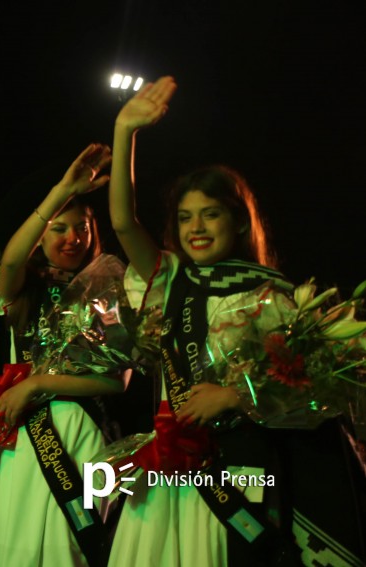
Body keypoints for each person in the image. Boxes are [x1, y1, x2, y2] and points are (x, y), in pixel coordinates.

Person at [104, 76, 366, 566]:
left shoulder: (271, 294)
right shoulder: (168, 278)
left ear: (240, 221)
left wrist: (234, 394)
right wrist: (125, 132)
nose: (196, 228)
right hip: (171, 470)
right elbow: (122, 222)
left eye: (210, 215)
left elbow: (313, 386)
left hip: (242, 466)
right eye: (185, 218)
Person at [0, 144, 129, 567]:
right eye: (59, 228)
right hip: (20, 440)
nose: (72, 238)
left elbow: (115, 381)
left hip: (83, 433)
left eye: (81, 227)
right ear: (40, 235)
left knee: (73, 550)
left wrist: (37, 383)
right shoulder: (24, 292)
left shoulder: (109, 289)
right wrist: (62, 190)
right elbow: (10, 261)